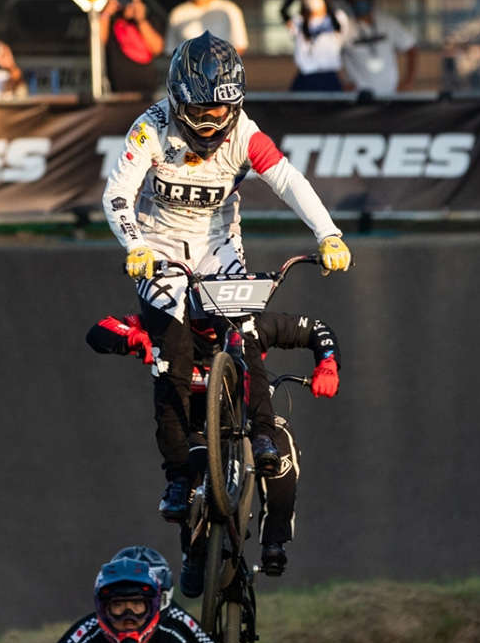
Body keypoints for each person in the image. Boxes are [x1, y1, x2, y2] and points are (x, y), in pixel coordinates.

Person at [104, 34, 351, 532]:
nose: (214, 122)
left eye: (223, 110)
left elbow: (289, 180)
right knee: (170, 358)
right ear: (177, 99)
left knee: (246, 333)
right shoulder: (149, 129)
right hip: (160, 248)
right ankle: (177, 475)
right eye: (202, 110)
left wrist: (329, 234)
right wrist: (136, 247)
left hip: (219, 247)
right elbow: (116, 195)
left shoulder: (247, 134)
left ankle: (261, 434)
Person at [88, 305, 339, 583]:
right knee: (192, 476)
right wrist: (134, 339)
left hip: (248, 420)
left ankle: (274, 544)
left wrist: (327, 364)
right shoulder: (164, 321)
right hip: (195, 426)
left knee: (282, 448)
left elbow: (317, 328)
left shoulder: (252, 322)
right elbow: (101, 328)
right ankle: (193, 554)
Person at [38, 553, 225, 643]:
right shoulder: (90, 639)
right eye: (118, 605)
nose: (129, 616)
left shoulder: (171, 637)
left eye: (137, 604)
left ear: (153, 605)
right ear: (103, 610)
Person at [339, 0, 421, 95]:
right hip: (360, 96)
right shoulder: (344, 28)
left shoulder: (387, 23)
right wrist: (341, 84)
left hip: (390, 94)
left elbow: (411, 48)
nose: (361, 2)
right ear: (350, 2)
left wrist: (407, 82)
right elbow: (330, 58)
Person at [98, 0, 167, 96]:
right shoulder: (111, 19)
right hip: (118, 93)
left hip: (147, 92)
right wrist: (106, 12)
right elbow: (98, 42)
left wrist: (141, 20)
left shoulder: (149, 18)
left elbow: (157, 48)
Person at [282, 0, 347, 92]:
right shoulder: (300, 21)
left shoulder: (334, 19)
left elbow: (337, 20)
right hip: (306, 76)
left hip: (329, 77)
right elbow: (283, 12)